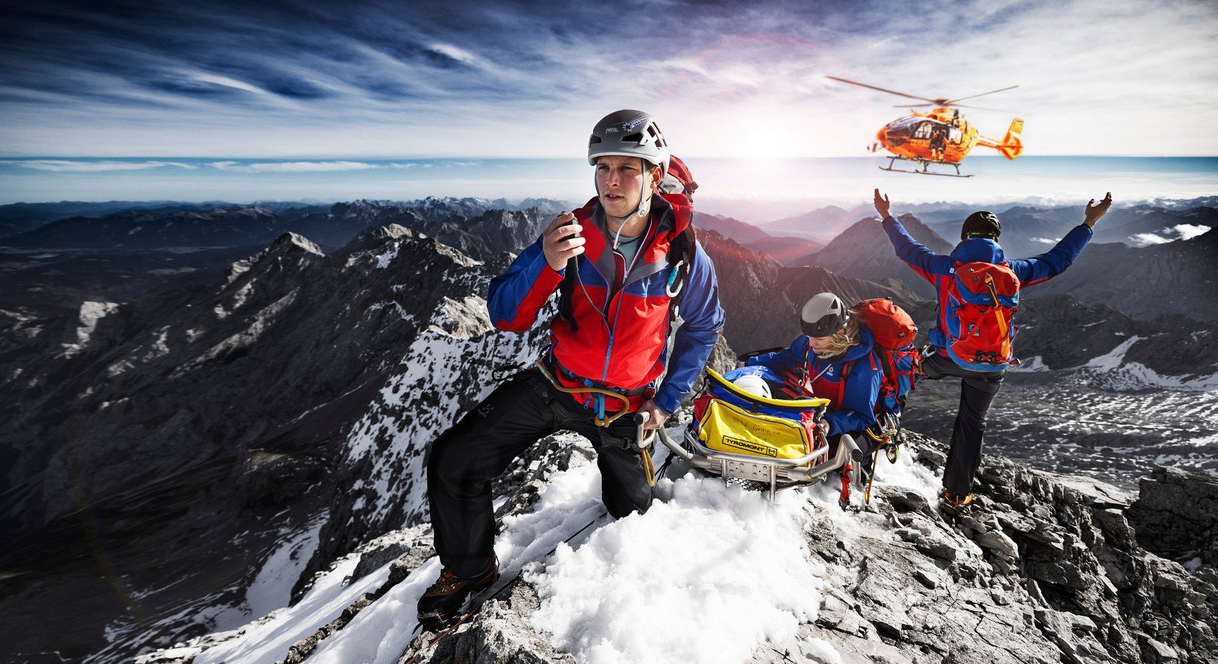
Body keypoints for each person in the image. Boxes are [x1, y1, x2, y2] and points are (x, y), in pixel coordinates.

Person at [417, 110, 725, 626]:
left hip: (625, 404)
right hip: (557, 384)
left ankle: (629, 483)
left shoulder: (684, 256)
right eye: (603, 167)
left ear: (655, 175)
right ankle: (468, 569)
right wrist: (546, 262)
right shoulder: (570, 235)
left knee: (633, 511)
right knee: (454, 458)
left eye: (628, 168)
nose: (611, 180)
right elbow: (504, 315)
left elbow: (704, 325)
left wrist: (667, 400)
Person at [873, 189, 1113, 515]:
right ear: (996, 239)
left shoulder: (945, 268)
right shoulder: (1014, 271)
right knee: (972, 423)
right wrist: (1088, 223)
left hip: (948, 357)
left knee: (898, 369)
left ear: (965, 237)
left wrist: (887, 217)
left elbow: (907, 249)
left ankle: (884, 427)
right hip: (992, 366)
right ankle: (957, 496)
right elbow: (1058, 261)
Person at [746, 292, 884, 464]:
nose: (811, 344)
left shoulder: (864, 367)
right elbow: (787, 358)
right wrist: (750, 363)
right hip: (824, 412)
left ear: (839, 333)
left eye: (818, 339)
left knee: (831, 458)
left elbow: (862, 416)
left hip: (856, 422)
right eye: (809, 337)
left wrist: (830, 423)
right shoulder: (813, 340)